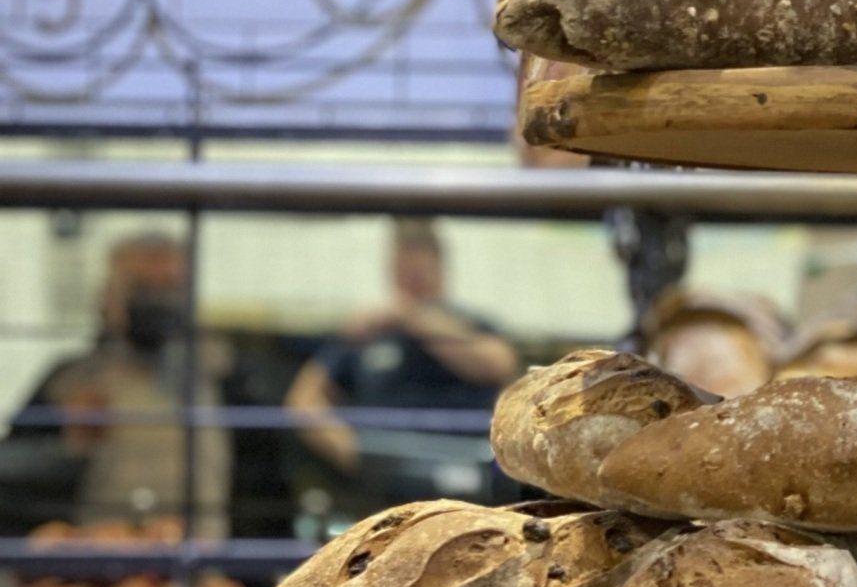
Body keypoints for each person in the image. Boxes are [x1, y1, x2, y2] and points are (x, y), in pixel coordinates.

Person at [2, 232, 231, 534]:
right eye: (142, 288)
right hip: (100, 560)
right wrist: (68, 446)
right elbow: (13, 471)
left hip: (201, 560)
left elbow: (264, 483)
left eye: (169, 288)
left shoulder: (225, 375)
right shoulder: (73, 380)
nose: (156, 302)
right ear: (110, 295)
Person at [284, 220, 519, 497]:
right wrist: (353, 452)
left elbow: (500, 365)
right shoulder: (370, 334)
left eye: (418, 276)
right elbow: (303, 400)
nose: (409, 287)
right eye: (402, 275)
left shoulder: (471, 326)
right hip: (382, 479)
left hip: (466, 474)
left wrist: (416, 318)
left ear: (440, 270)